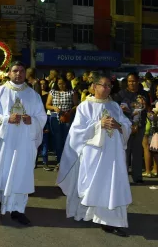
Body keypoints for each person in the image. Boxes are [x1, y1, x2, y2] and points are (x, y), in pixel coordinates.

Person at [57, 73, 132, 237]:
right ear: (94, 86)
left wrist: (119, 125)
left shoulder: (114, 106)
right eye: (103, 85)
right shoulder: (85, 106)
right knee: (96, 186)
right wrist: (99, 125)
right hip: (94, 154)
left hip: (113, 155)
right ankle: (90, 214)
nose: (106, 89)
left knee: (111, 185)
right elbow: (77, 131)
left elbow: (126, 124)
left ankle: (107, 219)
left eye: (109, 86)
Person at [0, 61, 46, 225]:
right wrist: (6, 119)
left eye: (22, 71)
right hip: (6, 142)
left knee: (22, 175)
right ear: (9, 73)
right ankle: (2, 200)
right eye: (15, 71)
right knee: (4, 173)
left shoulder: (33, 95)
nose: (18, 74)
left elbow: (41, 118)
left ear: (26, 74)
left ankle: (19, 210)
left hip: (25, 143)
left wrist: (31, 120)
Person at [113, 72, 150, 184]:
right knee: (125, 151)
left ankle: (137, 176)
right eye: (129, 81)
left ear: (138, 81)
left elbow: (148, 108)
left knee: (138, 151)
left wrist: (146, 105)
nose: (131, 83)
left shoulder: (144, 94)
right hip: (125, 127)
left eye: (133, 81)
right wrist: (120, 109)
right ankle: (123, 177)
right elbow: (114, 108)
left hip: (140, 126)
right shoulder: (121, 94)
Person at [46, 77, 79, 171]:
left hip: (67, 117)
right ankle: (59, 161)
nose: (61, 85)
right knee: (57, 139)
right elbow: (47, 104)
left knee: (66, 139)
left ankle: (66, 161)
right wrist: (54, 108)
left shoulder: (72, 92)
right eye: (59, 83)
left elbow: (76, 105)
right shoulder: (53, 92)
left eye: (63, 83)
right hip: (55, 117)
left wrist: (70, 111)